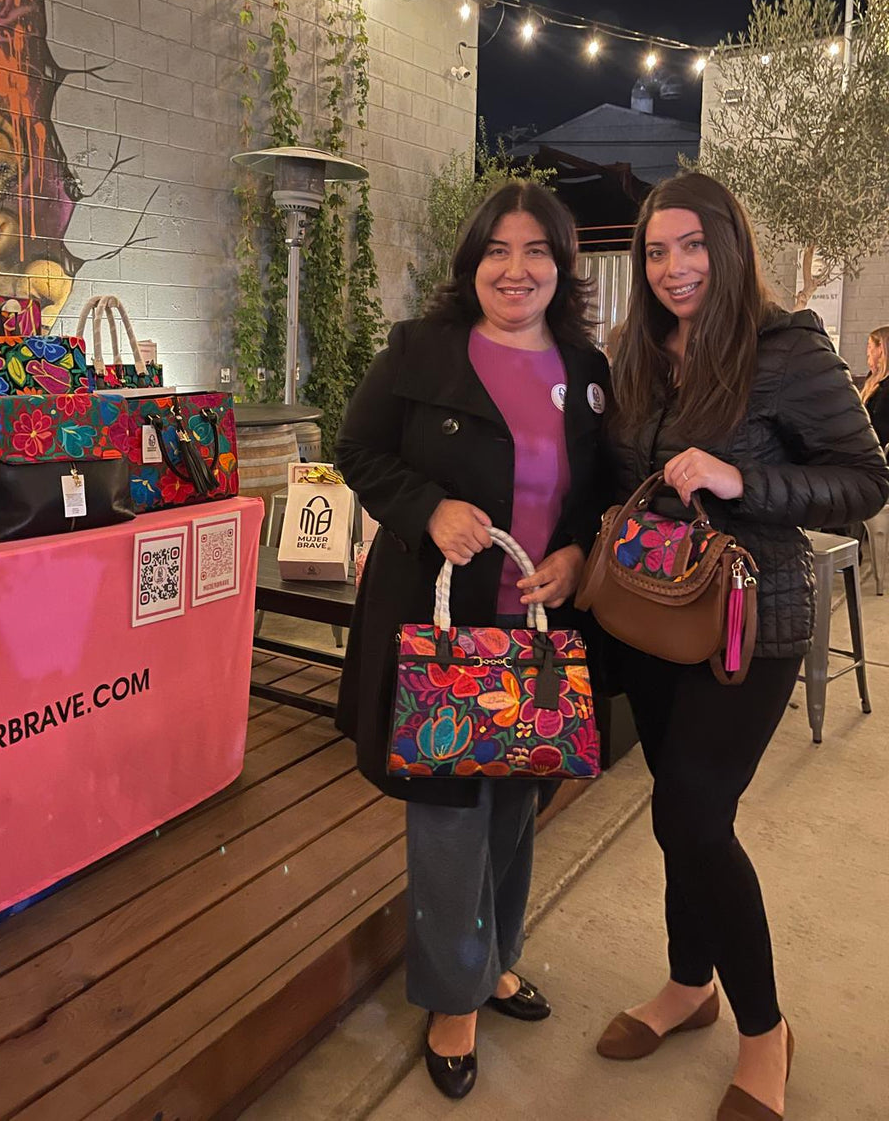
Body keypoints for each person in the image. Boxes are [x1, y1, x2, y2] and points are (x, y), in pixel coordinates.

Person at [597, 172, 889, 1121]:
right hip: (652, 612)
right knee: (674, 809)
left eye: (692, 244)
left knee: (693, 813)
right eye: (655, 249)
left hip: (750, 621)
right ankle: (690, 985)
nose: (674, 268)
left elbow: (862, 479)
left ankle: (765, 1029)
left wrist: (741, 479)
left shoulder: (785, 344)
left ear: (728, 243)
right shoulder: (637, 347)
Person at [336, 181, 610, 1100]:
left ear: (561, 267)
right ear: (472, 264)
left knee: (517, 801)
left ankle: (494, 956)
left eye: (537, 251)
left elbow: (598, 494)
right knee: (451, 812)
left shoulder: (587, 368)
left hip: (536, 625)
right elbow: (360, 449)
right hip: (442, 623)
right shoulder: (422, 351)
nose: (516, 268)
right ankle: (453, 997)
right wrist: (429, 506)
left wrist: (575, 554)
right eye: (498, 249)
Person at [860, 326, 889, 447]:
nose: (867, 352)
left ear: (881, 349)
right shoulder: (872, 377)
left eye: (870, 346)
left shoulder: (886, 388)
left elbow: (879, 427)